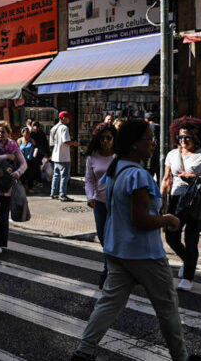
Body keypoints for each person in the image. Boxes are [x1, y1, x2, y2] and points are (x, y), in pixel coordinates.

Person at [71, 120, 189, 361]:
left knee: (109, 303)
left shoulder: (116, 169)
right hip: (144, 253)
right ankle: (181, 357)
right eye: (149, 139)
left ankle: (84, 352)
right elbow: (141, 220)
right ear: (135, 144)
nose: (153, 144)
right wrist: (168, 219)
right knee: (167, 306)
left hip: (117, 249)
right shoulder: (137, 175)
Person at [162, 116, 201, 292]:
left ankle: (188, 278)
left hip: (195, 201)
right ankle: (188, 261)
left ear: (196, 137)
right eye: (180, 137)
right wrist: (160, 198)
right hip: (175, 200)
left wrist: (195, 177)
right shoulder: (172, 155)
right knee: (171, 236)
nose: (183, 140)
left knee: (191, 239)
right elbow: (167, 178)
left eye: (187, 137)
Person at [0, 121, 27, 254]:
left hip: (7, 186)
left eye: (3, 132)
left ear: (8, 133)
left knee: (3, 216)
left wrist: (18, 173)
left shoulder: (13, 146)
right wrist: (6, 156)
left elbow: (24, 164)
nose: (0, 134)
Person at [85, 123, 117, 288]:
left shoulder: (119, 157)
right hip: (100, 203)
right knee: (103, 237)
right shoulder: (92, 157)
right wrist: (90, 197)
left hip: (117, 203)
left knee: (112, 237)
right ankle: (112, 267)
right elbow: (89, 180)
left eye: (108, 138)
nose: (105, 141)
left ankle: (107, 272)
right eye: (102, 138)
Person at [50, 111, 77, 202]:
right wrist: (74, 143)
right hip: (63, 155)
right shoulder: (64, 128)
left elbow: (51, 143)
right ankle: (62, 195)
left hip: (55, 155)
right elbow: (66, 141)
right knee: (64, 176)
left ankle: (53, 193)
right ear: (63, 118)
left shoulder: (53, 128)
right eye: (68, 118)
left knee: (56, 175)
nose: (69, 120)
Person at [17, 126, 39, 192]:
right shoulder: (19, 140)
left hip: (30, 160)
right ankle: (23, 187)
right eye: (26, 132)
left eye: (29, 132)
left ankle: (30, 188)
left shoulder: (31, 140)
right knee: (22, 175)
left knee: (30, 174)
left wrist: (35, 152)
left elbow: (36, 147)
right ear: (22, 133)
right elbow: (16, 150)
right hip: (22, 160)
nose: (28, 133)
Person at [145, 112, 161, 182]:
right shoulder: (160, 127)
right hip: (160, 153)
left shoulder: (148, 127)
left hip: (151, 155)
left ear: (146, 119)